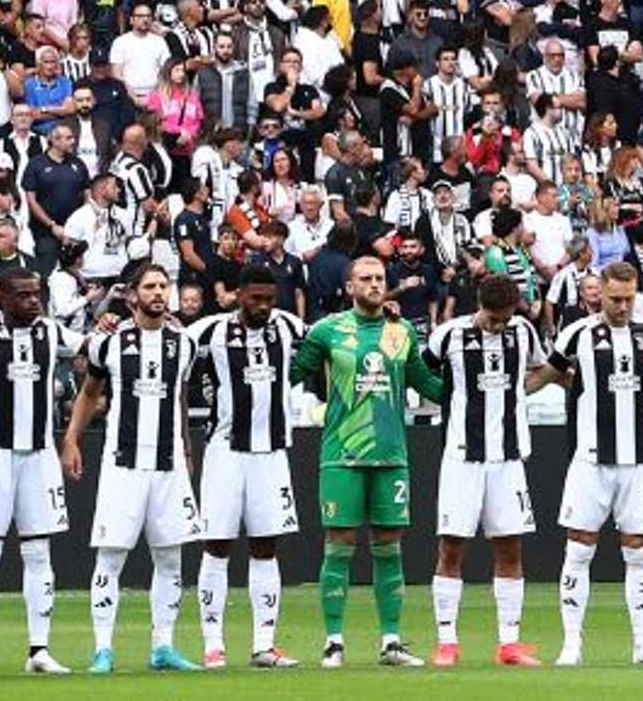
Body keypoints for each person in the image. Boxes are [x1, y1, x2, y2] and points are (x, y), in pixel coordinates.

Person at [294, 253, 435, 669]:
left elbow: (423, 381)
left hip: (391, 455)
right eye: (366, 278)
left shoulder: (400, 331)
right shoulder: (326, 331)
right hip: (342, 453)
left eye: (380, 278)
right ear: (350, 287)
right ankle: (333, 641)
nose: (375, 284)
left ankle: (391, 640)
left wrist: (468, 395)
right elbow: (295, 372)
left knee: (389, 547)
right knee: (339, 545)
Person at [67, 264, 202, 676]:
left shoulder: (184, 345)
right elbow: (90, 393)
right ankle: (102, 649)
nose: (159, 293)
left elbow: (178, 399)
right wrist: (71, 438)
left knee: (171, 558)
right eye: (150, 286)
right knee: (111, 556)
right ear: (133, 295)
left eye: (164, 286)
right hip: (122, 463)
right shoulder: (110, 344)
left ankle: (163, 645)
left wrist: (187, 452)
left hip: (168, 464)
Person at [549, 259, 643, 667]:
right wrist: (577, 385)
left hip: (640, 461)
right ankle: (571, 643)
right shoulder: (578, 333)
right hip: (590, 460)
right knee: (579, 548)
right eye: (614, 299)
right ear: (599, 293)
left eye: (628, 299)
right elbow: (552, 372)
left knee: (639, 551)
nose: (622, 307)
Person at [421, 270, 552, 666]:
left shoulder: (524, 332)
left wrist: (520, 391)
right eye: (493, 318)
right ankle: (447, 641)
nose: (499, 325)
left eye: (506, 318)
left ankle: (509, 643)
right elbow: (422, 372)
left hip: (509, 458)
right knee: (452, 545)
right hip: (461, 456)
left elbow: (542, 369)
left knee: (510, 545)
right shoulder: (450, 335)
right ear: (478, 305)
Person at [0, 267, 80, 677]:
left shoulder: (52, 332)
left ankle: (39, 650)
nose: (33, 301)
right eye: (24, 295)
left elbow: (96, 350)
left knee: (39, 551)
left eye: (36, 294)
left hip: (40, 455)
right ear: (1, 297)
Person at [187, 270, 308, 668]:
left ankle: (263, 644)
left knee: (266, 545)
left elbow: (325, 342)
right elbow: (172, 351)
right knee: (217, 545)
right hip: (225, 451)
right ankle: (212, 644)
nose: (263, 307)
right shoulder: (209, 332)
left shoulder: (289, 327)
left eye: (269, 299)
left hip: (272, 453)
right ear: (238, 295)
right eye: (256, 298)